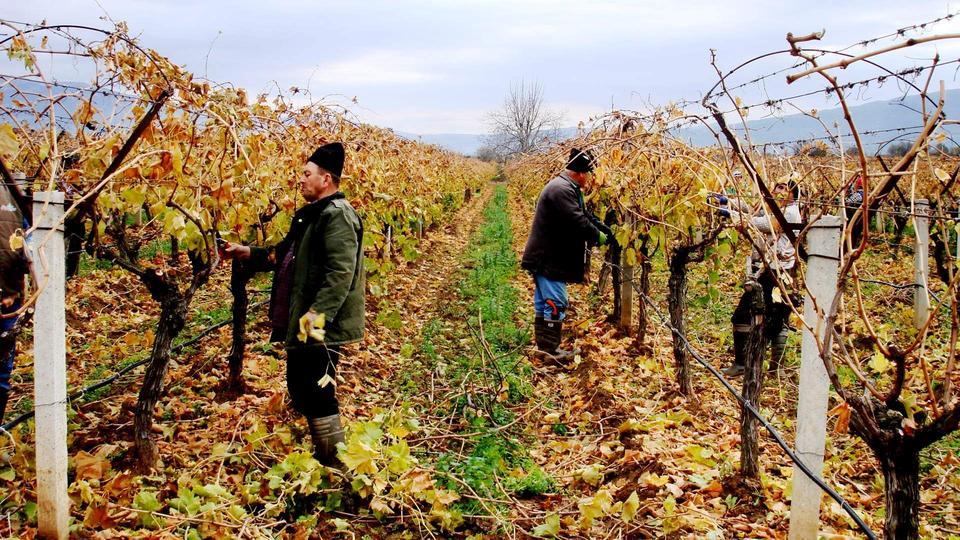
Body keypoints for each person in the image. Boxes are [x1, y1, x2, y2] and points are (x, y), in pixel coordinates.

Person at [223, 142, 364, 468]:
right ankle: (324, 451)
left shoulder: (337, 217)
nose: (300, 180)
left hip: (318, 323)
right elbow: (280, 255)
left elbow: (340, 274)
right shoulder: (312, 216)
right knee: (301, 387)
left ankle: (334, 461)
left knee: (317, 389)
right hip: (305, 319)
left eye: (306, 174)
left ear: (325, 179)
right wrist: (242, 252)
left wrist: (315, 319)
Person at [521, 148, 612, 359]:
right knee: (555, 302)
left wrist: (602, 228)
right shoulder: (561, 190)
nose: (590, 179)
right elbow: (576, 221)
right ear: (580, 173)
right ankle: (550, 350)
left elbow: (584, 215)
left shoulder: (565, 187)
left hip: (548, 255)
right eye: (589, 174)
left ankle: (544, 348)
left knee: (546, 302)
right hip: (548, 258)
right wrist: (598, 237)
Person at [713, 180, 801, 376]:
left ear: (793, 194)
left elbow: (759, 223)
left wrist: (731, 214)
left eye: (785, 188)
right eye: (777, 186)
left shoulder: (788, 213)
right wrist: (730, 201)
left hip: (776, 272)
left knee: (745, 315)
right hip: (775, 270)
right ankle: (772, 368)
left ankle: (745, 364)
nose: (778, 190)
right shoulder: (780, 207)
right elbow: (753, 208)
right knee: (778, 317)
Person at [0, 179, 28, 425]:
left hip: (7, 301)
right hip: (7, 298)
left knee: (2, 371)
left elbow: (27, 240)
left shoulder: (12, 197)